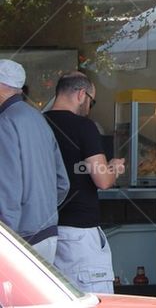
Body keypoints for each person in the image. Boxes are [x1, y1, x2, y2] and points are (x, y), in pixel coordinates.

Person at [45, 72, 125, 293]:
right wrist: (114, 168)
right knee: (93, 298)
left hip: (45, 231)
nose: (90, 107)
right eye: (92, 100)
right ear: (81, 94)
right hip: (79, 232)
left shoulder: (38, 123)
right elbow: (102, 180)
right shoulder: (83, 126)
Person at [0, 60, 69, 263]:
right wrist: (42, 209)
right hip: (47, 233)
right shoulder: (39, 119)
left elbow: (7, 188)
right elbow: (62, 182)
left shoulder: (5, 122)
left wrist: (6, 239)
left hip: (19, 237)